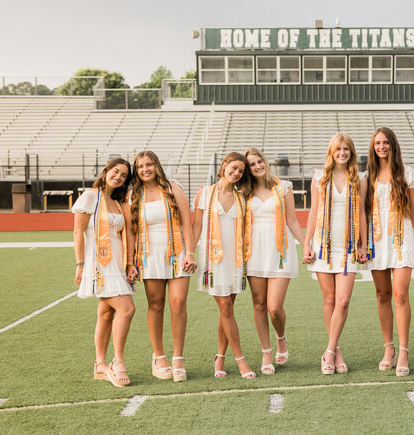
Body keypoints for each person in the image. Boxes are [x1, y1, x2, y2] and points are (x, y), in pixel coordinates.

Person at [124, 151, 196, 382]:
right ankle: (159, 356)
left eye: (149, 164)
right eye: (140, 166)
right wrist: (131, 261)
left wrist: (190, 252)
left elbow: (187, 222)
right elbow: (131, 231)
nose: (145, 169)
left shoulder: (174, 188)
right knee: (156, 304)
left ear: (156, 165)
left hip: (177, 253)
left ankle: (178, 359)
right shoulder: (134, 194)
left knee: (179, 303)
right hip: (148, 255)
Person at [303, 133, 367, 375]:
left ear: (351, 152)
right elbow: (312, 212)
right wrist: (308, 243)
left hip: (348, 248)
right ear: (331, 152)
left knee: (343, 300)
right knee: (329, 299)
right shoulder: (320, 178)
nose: (342, 153)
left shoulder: (358, 178)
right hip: (324, 246)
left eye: (346, 149)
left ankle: (328, 351)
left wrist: (362, 244)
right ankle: (336, 349)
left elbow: (361, 213)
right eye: (338, 149)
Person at [364, 127, 414, 376]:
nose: (381, 147)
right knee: (382, 295)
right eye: (378, 143)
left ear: (393, 145)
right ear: (373, 146)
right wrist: (361, 243)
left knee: (400, 296)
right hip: (377, 242)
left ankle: (403, 351)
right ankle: (388, 347)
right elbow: (362, 213)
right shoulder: (367, 176)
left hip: (402, 240)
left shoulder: (407, 174)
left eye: (386, 142)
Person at [190, 152, 256, 379]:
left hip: (234, 260)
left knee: (226, 311)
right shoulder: (204, 193)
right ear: (224, 165)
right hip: (213, 261)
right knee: (226, 308)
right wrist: (190, 252)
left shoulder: (242, 197)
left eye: (240, 171)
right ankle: (241, 360)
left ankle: (220, 357)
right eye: (234, 168)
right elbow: (196, 225)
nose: (236, 173)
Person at [72, 158, 136, 387]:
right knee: (127, 309)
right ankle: (118, 362)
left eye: (123, 176)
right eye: (116, 172)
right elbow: (78, 232)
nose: (118, 177)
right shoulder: (90, 197)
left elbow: (125, 233)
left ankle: (99, 364)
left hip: (116, 263)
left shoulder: (117, 202)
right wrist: (80, 264)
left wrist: (129, 263)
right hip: (98, 264)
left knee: (106, 314)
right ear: (106, 171)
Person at [244, 148, 305, 375]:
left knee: (274, 308)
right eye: (252, 164)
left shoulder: (283, 186)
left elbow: (293, 221)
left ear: (265, 162)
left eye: (259, 161)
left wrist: (306, 245)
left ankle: (281, 337)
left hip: (280, 251)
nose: (257, 166)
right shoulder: (244, 191)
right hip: (254, 252)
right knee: (259, 304)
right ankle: (266, 352)